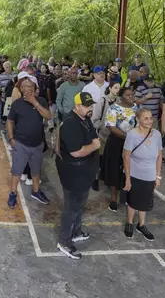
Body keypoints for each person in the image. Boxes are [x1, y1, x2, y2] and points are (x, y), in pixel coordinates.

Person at [55, 92, 100, 260]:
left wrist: (94, 144)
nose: (90, 108)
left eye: (91, 105)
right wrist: (95, 146)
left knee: (80, 204)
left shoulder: (84, 118)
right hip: (74, 173)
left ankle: (75, 232)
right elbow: (76, 152)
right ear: (77, 106)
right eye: (87, 105)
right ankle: (64, 241)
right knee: (71, 207)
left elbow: (93, 136)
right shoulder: (70, 124)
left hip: (85, 171)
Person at [6, 77, 52, 208]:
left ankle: (36, 192)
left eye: (30, 86)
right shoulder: (17, 104)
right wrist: (11, 138)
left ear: (35, 89)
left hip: (37, 144)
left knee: (36, 171)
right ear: (21, 89)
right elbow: (9, 121)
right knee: (17, 171)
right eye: (25, 86)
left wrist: (34, 102)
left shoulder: (41, 100)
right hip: (20, 144)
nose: (27, 89)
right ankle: (13, 194)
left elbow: (48, 116)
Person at [122, 108, 163, 241]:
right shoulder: (132, 135)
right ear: (138, 120)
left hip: (150, 174)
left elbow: (159, 156)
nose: (149, 121)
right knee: (133, 200)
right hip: (135, 173)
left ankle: (142, 224)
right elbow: (126, 157)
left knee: (145, 200)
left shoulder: (157, 134)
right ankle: (129, 222)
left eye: (151, 118)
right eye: (146, 118)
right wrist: (128, 179)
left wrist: (158, 176)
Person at [102, 87, 139, 211]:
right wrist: (127, 137)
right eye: (128, 95)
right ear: (121, 96)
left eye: (132, 95)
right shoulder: (113, 108)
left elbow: (138, 124)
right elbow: (111, 127)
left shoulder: (136, 108)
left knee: (129, 168)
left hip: (133, 143)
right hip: (116, 142)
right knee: (114, 168)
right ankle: (113, 197)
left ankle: (128, 194)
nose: (131, 97)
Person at [90, 81, 120, 191]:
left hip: (114, 135)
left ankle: (107, 178)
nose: (117, 90)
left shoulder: (119, 101)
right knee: (99, 158)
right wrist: (104, 128)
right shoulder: (102, 101)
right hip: (102, 135)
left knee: (110, 159)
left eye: (119, 88)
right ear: (110, 88)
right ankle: (95, 179)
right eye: (115, 87)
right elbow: (94, 119)